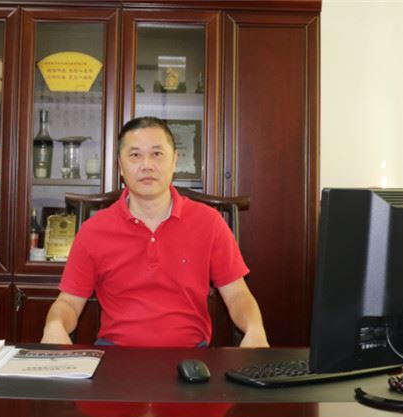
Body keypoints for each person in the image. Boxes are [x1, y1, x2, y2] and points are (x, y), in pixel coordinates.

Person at [41, 116, 268, 347]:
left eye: (157, 154)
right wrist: (54, 325)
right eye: (135, 155)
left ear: (175, 160)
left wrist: (255, 328)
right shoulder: (94, 230)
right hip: (116, 355)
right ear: (120, 166)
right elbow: (69, 302)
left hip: (190, 356)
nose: (147, 165)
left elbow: (238, 295)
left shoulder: (209, 222)